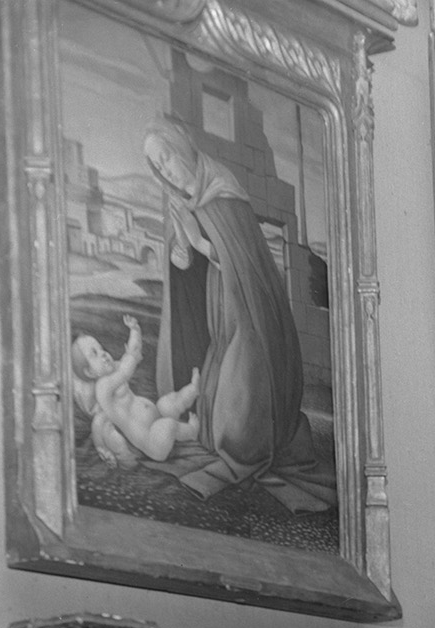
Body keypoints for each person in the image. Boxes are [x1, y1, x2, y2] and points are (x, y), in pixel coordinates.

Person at [141, 118, 336, 513]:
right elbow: (185, 263)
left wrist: (196, 239)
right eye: (157, 167)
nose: (165, 171)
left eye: (167, 160)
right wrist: (181, 246)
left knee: (242, 389)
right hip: (219, 307)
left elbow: (242, 260)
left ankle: (246, 445)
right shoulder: (185, 201)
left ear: (182, 149)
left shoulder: (223, 193)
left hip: (247, 308)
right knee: (215, 396)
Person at [70, 315, 199, 467]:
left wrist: (135, 331)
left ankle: (193, 390)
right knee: (167, 425)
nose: (103, 353)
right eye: (95, 354)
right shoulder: (103, 387)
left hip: (157, 415)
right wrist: (104, 450)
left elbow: (132, 354)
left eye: (101, 348)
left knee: (167, 403)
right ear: (90, 373)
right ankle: (191, 431)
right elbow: (128, 367)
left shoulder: (114, 370)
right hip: (152, 442)